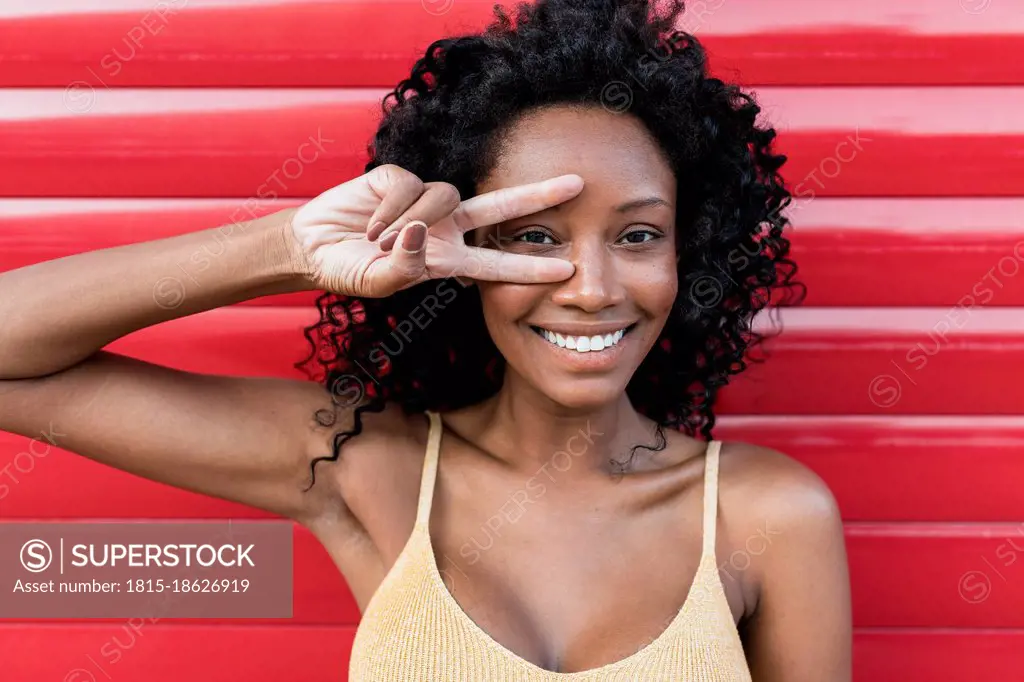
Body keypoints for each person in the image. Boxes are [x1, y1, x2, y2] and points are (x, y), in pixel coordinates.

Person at [0, 0, 851, 679]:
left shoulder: (766, 515)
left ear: (689, 253)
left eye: (636, 237)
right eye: (535, 237)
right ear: (463, 254)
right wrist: (288, 249)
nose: (592, 290)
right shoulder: (366, 467)